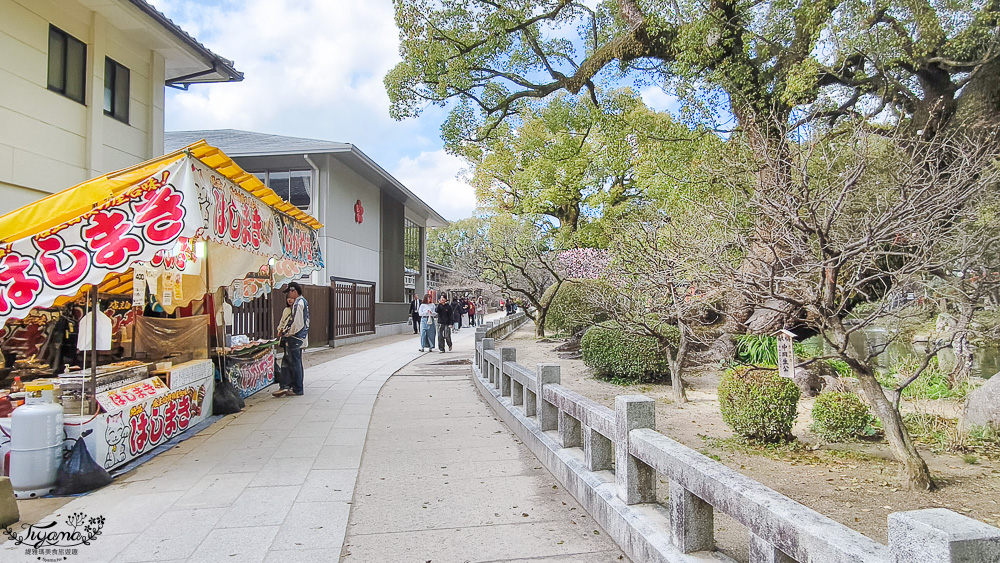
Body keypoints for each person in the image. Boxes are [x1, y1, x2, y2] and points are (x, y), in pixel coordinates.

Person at [274, 282, 309, 397]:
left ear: (294, 291)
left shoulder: (299, 303)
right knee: (294, 362)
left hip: (295, 337)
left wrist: (287, 332)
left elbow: (297, 323)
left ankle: (297, 388)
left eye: (289, 292)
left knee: (294, 363)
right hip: (299, 337)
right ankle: (290, 386)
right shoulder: (302, 302)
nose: (288, 296)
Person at [272, 295, 295, 397]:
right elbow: (282, 322)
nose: (289, 300)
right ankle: (285, 385)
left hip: (292, 338)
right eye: (288, 298)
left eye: (292, 298)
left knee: (290, 362)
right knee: (286, 362)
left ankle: (288, 385)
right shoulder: (286, 310)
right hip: (285, 338)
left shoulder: (297, 309)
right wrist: (279, 329)